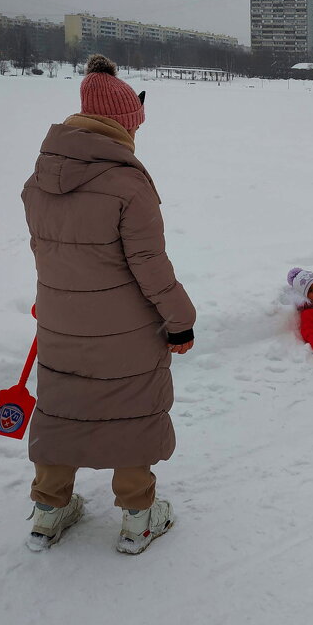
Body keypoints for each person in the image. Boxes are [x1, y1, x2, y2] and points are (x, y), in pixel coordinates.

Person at [21, 54, 196, 554]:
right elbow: (150, 265)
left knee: (61, 410)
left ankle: (48, 511)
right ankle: (139, 518)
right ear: (122, 123)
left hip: (60, 325)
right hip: (127, 333)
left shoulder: (39, 180)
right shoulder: (127, 183)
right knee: (132, 415)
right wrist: (181, 321)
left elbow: (49, 255)